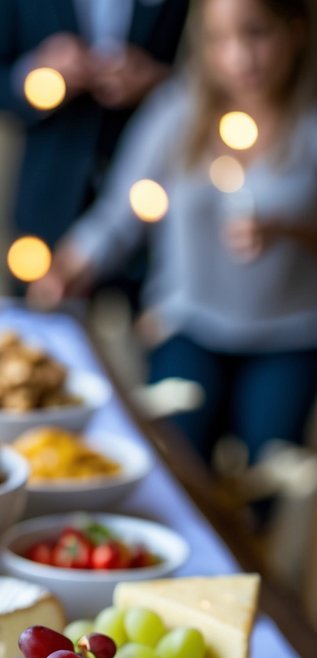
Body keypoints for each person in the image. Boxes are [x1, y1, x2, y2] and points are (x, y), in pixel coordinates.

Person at [34, 0, 317, 465]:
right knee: (174, 464)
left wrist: (288, 230)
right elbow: (120, 214)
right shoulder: (176, 112)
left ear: (296, 30)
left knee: (270, 473)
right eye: (220, 39)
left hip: (287, 337)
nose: (239, 57)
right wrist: (71, 264)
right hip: (186, 325)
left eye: (256, 33)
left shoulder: (309, 126)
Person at [0, 0, 190, 251]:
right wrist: (40, 76)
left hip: (149, 202)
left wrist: (157, 80)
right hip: (48, 201)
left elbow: (204, 65)